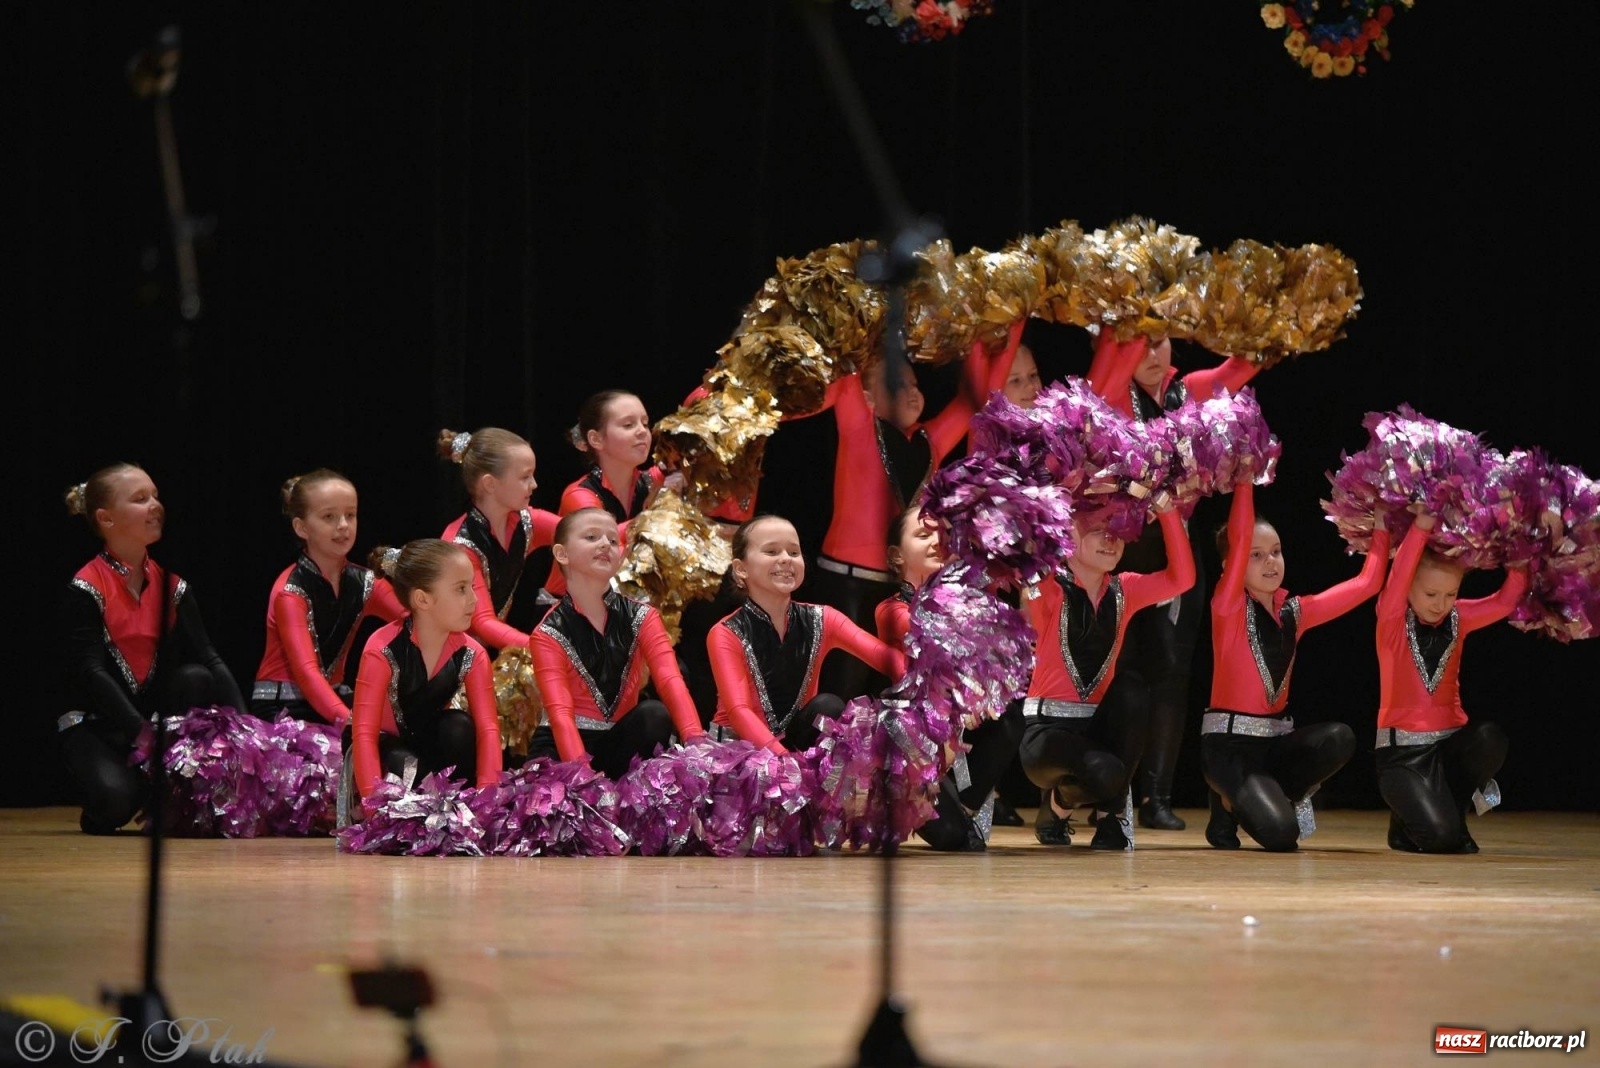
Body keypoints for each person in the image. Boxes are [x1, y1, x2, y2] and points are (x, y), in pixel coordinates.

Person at [1087, 329, 1262, 831]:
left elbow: (1241, 367)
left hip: (1180, 549)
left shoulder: (1194, 388)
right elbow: (1104, 373)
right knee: (1119, 674)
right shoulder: (1115, 390)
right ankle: (1106, 791)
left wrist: (1278, 322)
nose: (1149, 353)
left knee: (1171, 674)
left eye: (1158, 341)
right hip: (1121, 550)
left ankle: (1157, 798)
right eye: (1136, 342)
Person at [807, 322, 1023, 702]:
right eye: (897, 383)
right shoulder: (859, 425)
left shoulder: (928, 442)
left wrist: (1004, 319)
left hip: (898, 593)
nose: (912, 391)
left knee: (889, 705)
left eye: (914, 383)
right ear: (869, 397)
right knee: (836, 705)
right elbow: (847, 367)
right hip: (846, 590)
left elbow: (975, 400)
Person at [57, 464, 247, 834]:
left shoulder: (173, 586)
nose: (155, 505)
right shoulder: (85, 587)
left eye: (156, 496)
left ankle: (158, 788)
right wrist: (141, 736)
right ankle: (125, 789)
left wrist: (249, 730)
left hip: (151, 722)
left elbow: (210, 656)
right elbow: (92, 671)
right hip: (97, 725)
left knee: (196, 676)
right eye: (140, 499)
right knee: (113, 805)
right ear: (106, 519)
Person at [1201, 478, 1388, 851]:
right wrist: (1244, 479)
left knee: (1339, 738)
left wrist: (1382, 523)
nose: (1270, 561)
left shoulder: (1296, 613)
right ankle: (1228, 798)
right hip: (1229, 749)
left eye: (1276, 551)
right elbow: (1239, 537)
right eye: (1255, 554)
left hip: (1274, 746)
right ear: (1231, 565)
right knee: (1283, 836)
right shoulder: (1228, 607)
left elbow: (1367, 584)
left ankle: (1240, 800)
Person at [1020, 495, 1194, 850]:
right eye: (1098, 530)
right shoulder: (1047, 587)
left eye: (1117, 531)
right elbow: (1025, 559)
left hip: (1098, 730)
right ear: (1068, 533)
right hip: (1047, 735)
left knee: (1131, 689)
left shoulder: (1125, 589)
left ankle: (1110, 821)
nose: (1110, 539)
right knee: (1108, 773)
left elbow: (1183, 578)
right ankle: (1058, 805)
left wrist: (1165, 508)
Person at [1373, 512, 1530, 854]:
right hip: (1403, 756)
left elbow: (1505, 601)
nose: (1440, 605)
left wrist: (1519, 544)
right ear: (1409, 585)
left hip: (1449, 748)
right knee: (1441, 841)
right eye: (1430, 594)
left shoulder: (1459, 618)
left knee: (1489, 738)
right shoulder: (1391, 619)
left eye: (1450, 594)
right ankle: (1407, 819)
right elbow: (1398, 572)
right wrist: (1422, 524)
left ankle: (1452, 813)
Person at [876, 504, 1023, 851]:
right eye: (923, 535)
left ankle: (966, 805)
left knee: (1012, 715)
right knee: (955, 839)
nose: (935, 542)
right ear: (897, 556)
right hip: (913, 751)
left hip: (955, 744)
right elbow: (933, 638)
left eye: (942, 535)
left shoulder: (970, 603)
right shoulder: (891, 610)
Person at [527, 508, 707, 778]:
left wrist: (698, 745)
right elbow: (560, 714)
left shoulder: (643, 616)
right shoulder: (548, 633)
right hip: (563, 748)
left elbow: (671, 681)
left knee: (654, 714)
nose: (604, 544)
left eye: (613, 540)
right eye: (591, 537)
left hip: (621, 741)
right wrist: (585, 779)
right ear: (562, 554)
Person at [707, 515, 905, 754]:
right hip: (737, 755)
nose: (785, 560)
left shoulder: (824, 618)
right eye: (771, 552)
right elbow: (739, 712)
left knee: (827, 706)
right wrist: (784, 762)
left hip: (794, 751)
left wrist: (937, 682)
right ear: (741, 569)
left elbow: (885, 657)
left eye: (793, 552)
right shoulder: (725, 633)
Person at [348, 539, 503, 811]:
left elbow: (489, 731)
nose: (474, 599)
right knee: (407, 767)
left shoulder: (473, 654)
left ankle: (456, 812)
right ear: (422, 599)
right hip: (382, 749)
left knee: (460, 727)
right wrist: (372, 809)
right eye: (461, 589)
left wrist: (487, 804)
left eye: (472, 587)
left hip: (426, 743)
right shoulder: (381, 649)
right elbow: (364, 734)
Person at [251, 469, 403, 725]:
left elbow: (416, 620)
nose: (343, 525)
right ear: (301, 527)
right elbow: (308, 673)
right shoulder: (290, 592)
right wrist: (353, 723)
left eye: (350, 515)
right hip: (284, 709)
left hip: (332, 700)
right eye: (329, 517)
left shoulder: (366, 582)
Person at [437, 426, 560, 655]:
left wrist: (645, 524)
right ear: (490, 484)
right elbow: (483, 623)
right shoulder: (460, 546)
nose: (534, 484)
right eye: (525, 477)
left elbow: (582, 534)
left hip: (482, 654)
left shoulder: (526, 522)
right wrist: (545, 650)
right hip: (444, 664)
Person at [539, 390, 668, 603]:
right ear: (596, 439)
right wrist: (661, 518)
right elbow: (603, 543)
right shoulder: (579, 495)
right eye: (628, 425)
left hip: (623, 605)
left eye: (645, 423)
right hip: (570, 611)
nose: (642, 432)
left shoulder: (652, 481)